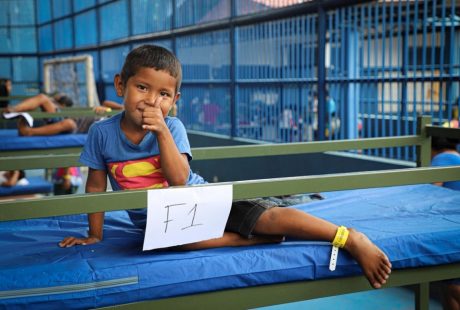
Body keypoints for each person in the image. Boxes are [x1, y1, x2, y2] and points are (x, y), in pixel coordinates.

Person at [58, 45, 392, 289]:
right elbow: (94, 188)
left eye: (163, 94)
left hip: (197, 200)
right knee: (170, 244)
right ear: (121, 86)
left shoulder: (172, 128)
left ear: (174, 101)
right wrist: (94, 235)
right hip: (161, 226)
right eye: (142, 87)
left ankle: (349, 238)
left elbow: (179, 180)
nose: (151, 100)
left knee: (267, 216)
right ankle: (258, 239)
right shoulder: (102, 133)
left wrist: (160, 131)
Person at [431, 136, 460, 309]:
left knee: (453, 286)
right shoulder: (457, 156)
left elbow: (432, 190)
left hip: (453, 225)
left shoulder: (442, 158)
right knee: (448, 284)